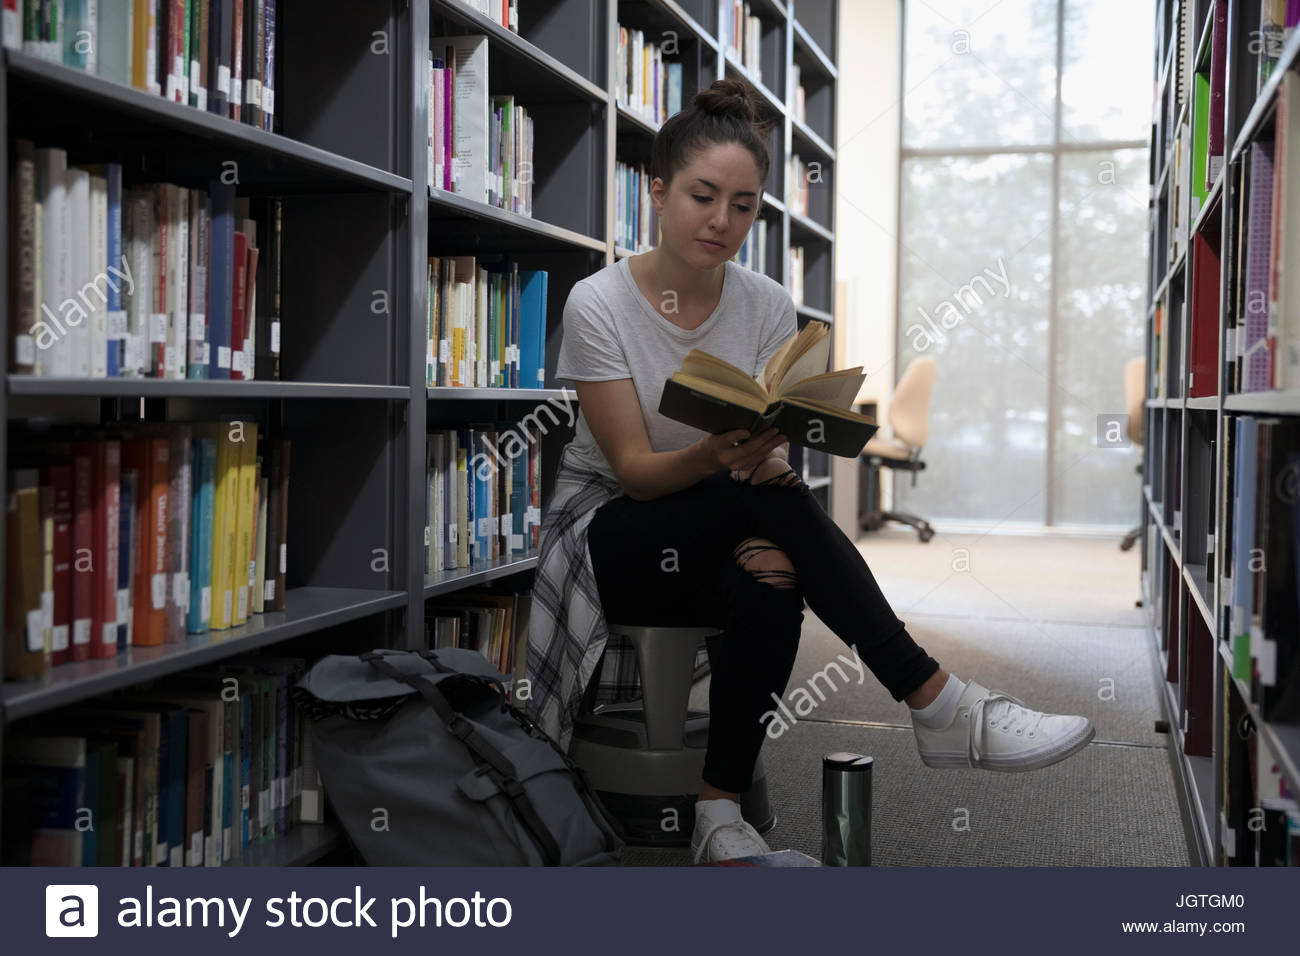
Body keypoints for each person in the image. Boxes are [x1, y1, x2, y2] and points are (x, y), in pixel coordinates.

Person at [523, 77, 1095, 864]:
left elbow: (770, 440)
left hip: (722, 517)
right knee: (741, 496)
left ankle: (719, 817)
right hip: (611, 535)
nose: (723, 221)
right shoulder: (598, 303)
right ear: (655, 192)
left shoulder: (764, 302)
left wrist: (765, 460)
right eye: (702, 196)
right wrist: (716, 457)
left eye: (745, 205)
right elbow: (634, 471)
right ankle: (934, 699)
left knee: (775, 570)